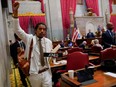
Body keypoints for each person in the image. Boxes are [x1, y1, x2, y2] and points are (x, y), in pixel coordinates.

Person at [12, 2, 53, 87]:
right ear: (35, 30)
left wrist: (57, 54)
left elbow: (47, 55)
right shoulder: (29, 38)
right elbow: (17, 30)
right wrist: (15, 12)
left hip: (46, 73)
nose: (42, 31)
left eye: (44, 29)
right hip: (34, 75)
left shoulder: (49, 42)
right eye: (40, 29)